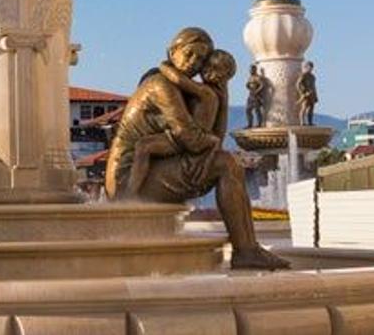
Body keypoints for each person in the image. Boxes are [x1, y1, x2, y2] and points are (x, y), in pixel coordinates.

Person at [105, 27, 288, 270]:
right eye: (190, 54)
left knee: (227, 162)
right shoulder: (160, 85)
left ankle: (248, 249)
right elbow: (191, 139)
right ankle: (245, 250)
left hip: (152, 166)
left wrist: (222, 97)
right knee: (225, 164)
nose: (194, 63)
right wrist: (209, 142)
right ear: (173, 52)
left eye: (201, 59)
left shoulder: (187, 90)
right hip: (129, 180)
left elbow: (212, 138)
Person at [124, 49, 235, 198]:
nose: (208, 73)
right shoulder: (217, 95)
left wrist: (164, 66)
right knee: (144, 146)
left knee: (143, 146)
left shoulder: (205, 91)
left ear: (224, 76)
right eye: (207, 67)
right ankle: (133, 191)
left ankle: (131, 193)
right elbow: (220, 127)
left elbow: (177, 79)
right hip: (191, 137)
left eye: (216, 71)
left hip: (189, 139)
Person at [297, 61, 319, 126]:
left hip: (312, 94)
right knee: (304, 108)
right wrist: (303, 93)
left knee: (311, 109)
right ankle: (302, 122)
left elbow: (314, 86)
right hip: (306, 94)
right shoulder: (303, 75)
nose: (311, 68)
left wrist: (315, 95)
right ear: (306, 67)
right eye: (310, 67)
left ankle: (310, 122)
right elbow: (298, 84)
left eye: (312, 67)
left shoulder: (312, 77)